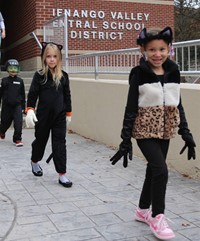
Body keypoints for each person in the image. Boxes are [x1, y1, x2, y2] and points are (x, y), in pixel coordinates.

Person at [110, 26, 196, 240]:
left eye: (162, 49)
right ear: (143, 51)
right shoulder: (138, 73)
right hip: (143, 130)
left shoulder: (174, 70)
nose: (157, 54)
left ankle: (142, 210)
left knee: (153, 170)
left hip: (166, 130)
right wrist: (125, 139)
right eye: (151, 50)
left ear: (169, 49)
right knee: (161, 170)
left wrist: (185, 132)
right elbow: (131, 107)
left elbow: (178, 103)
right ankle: (157, 218)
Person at [25, 42, 72, 188]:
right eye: (48, 56)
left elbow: (67, 95)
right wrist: (30, 109)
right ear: (44, 58)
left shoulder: (64, 76)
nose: (51, 59)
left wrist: (68, 113)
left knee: (59, 144)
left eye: (54, 56)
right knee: (40, 141)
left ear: (59, 58)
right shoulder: (39, 76)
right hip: (43, 116)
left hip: (59, 116)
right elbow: (32, 94)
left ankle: (62, 174)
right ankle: (34, 161)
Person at [0, 59, 25, 146]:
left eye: (15, 68)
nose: (13, 70)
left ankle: (17, 139)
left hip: (17, 106)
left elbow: (23, 95)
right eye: (11, 68)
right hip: (7, 106)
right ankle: (2, 131)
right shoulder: (4, 81)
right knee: (5, 123)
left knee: (18, 123)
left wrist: (23, 107)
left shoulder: (20, 81)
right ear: (7, 69)